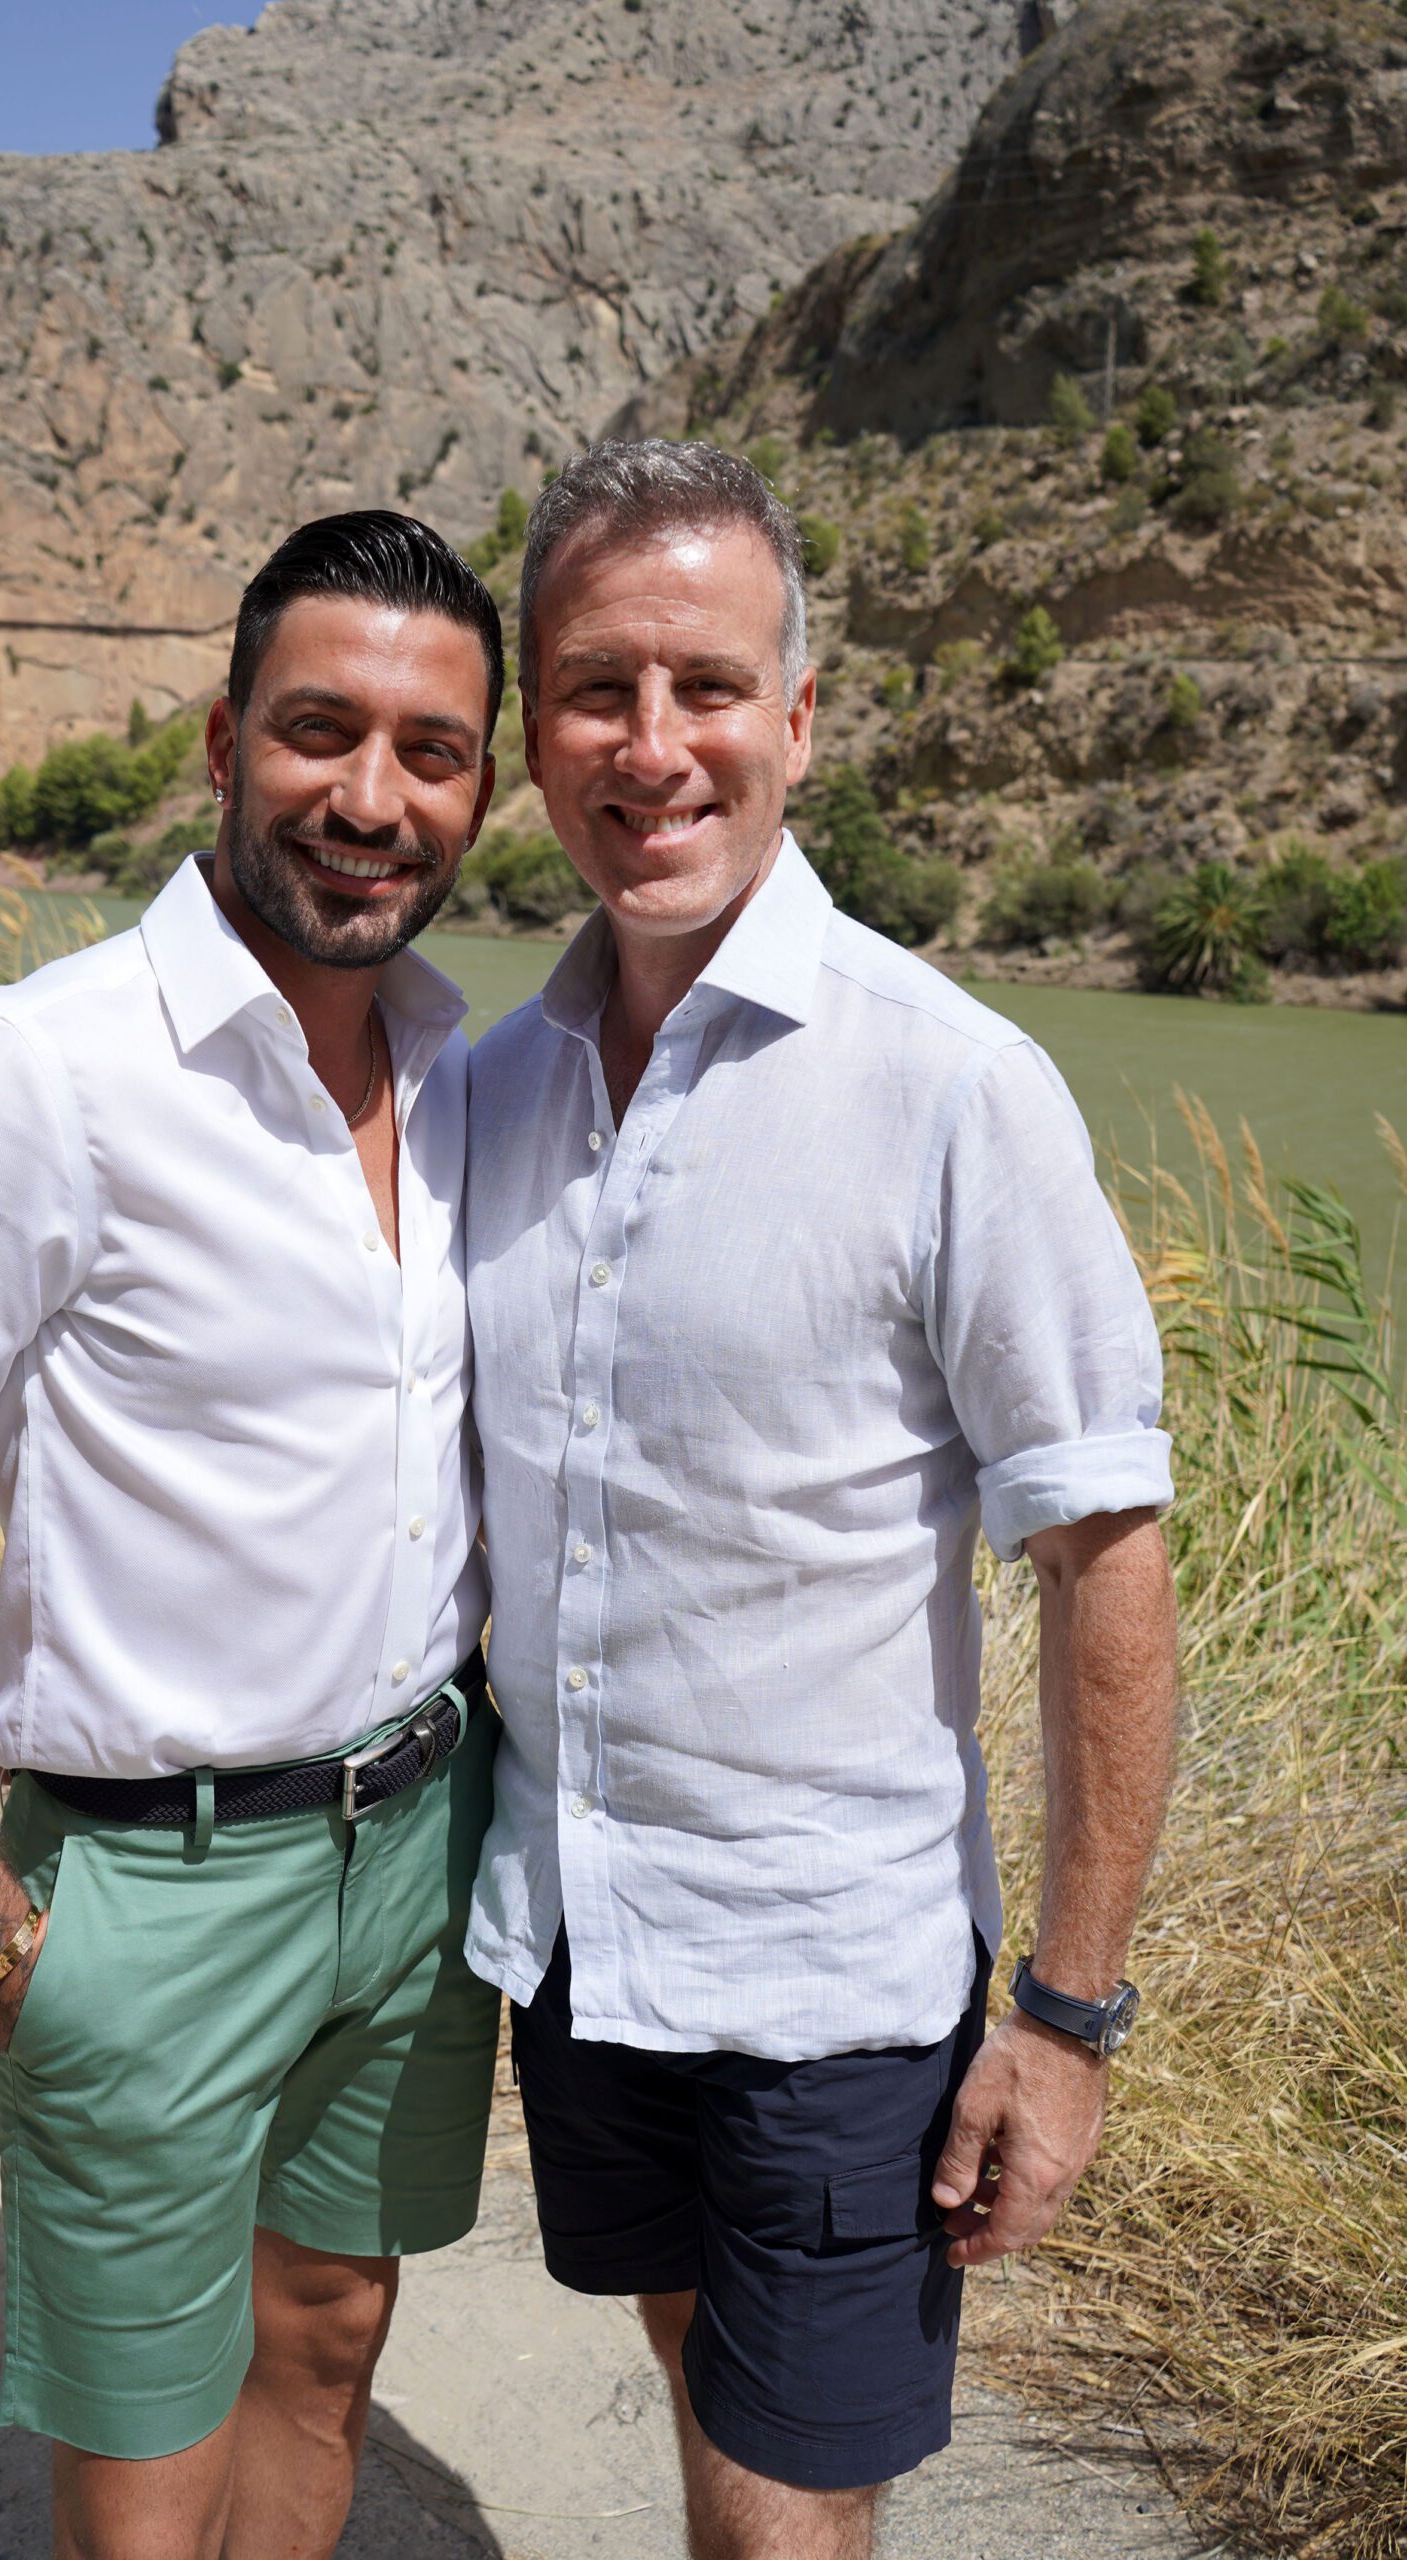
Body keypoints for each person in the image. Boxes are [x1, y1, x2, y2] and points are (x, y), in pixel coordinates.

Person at [0, 511, 506, 2560]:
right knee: (142, 2476)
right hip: (149, 1885)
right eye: (319, 729)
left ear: (481, 785)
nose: (370, 794)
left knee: (327, 2332)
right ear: (220, 734)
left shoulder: (464, 1068)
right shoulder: (29, 1081)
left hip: (419, 1850)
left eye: (429, 749)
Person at [462, 440, 1179, 2560]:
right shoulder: (494, 1085)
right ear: (532, 735)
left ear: (795, 716)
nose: (650, 745)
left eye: (704, 684)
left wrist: (1061, 2018)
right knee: (701, 2396)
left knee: (784, 2514)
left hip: (829, 1989)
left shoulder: (950, 1086)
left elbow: (1098, 1563)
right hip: (577, 1947)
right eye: (596, 689)